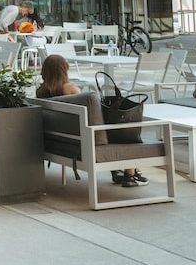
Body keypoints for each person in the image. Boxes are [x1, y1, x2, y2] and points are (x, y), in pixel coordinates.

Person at [35, 55, 147, 188]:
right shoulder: (70, 89)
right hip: (85, 140)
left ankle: (119, 170)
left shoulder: (40, 92)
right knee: (124, 132)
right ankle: (130, 173)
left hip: (62, 141)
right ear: (64, 69)